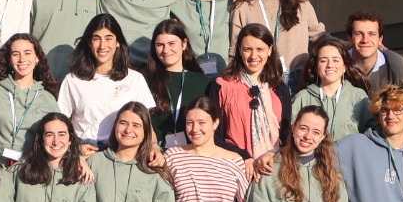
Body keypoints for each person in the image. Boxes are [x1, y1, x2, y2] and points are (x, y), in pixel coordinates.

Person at [230, 0, 324, 90]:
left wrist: (349, 45)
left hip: (298, 80)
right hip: (257, 80)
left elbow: (319, 37)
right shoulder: (243, 8)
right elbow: (234, 49)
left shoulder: (301, 4)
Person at [58, 14, 156, 145]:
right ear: (89, 43)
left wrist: (154, 146)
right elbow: (61, 124)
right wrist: (77, 149)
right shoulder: (72, 80)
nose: (102, 45)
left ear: (117, 42)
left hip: (122, 149)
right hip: (86, 149)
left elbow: (146, 123)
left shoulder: (135, 79)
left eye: (108, 38)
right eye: (96, 39)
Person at [209, 24, 286, 165]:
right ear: (239, 50)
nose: (253, 56)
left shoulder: (279, 88)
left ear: (270, 50)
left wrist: (271, 155)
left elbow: (286, 134)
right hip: (235, 164)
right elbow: (214, 135)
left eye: (260, 49)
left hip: (273, 165)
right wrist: (244, 157)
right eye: (247, 49)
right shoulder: (221, 86)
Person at [0, 32, 59, 165]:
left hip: (32, 167)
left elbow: (58, 136)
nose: (22, 59)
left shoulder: (48, 98)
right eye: (16, 54)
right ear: (9, 60)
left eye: (27, 53)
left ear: (37, 58)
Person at [144, 19, 212, 147]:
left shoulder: (203, 82)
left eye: (171, 43)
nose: (166, 50)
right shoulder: (145, 79)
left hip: (192, 152)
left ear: (184, 44)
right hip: (154, 151)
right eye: (160, 45)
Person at [290, 36, 371, 140]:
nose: (330, 65)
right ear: (316, 67)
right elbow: (290, 134)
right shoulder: (302, 98)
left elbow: (371, 133)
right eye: (323, 61)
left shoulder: (359, 97)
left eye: (336, 60)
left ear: (344, 67)